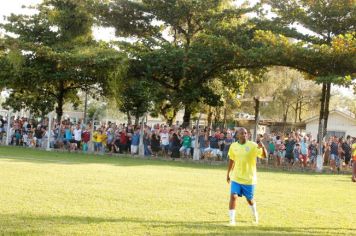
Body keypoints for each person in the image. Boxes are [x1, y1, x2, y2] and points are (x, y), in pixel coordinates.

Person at [226, 127, 267, 226]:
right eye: (242, 133)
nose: (244, 135)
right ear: (237, 135)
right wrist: (228, 174)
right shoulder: (233, 146)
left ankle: (255, 214)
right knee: (233, 196)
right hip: (236, 178)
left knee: (250, 200)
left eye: (245, 133)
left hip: (249, 179)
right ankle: (232, 220)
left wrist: (263, 147)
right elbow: (232, 160)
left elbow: (264, 156)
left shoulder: (253, 145)